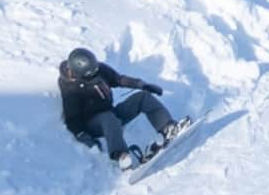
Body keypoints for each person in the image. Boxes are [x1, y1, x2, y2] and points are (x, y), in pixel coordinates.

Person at [58, 47, 186, 171]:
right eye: (91, 74)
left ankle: (168, 128)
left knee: (143, 98)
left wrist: (142, 85)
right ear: (80, 74)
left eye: (95, 70)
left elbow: (118, 79)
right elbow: (72, 119)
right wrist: (87, 140)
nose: (96, 73)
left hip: (111, 114)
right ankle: (121, 156)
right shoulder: (71, 89)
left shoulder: (97, 69)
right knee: (108, 118)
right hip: (93, 124)